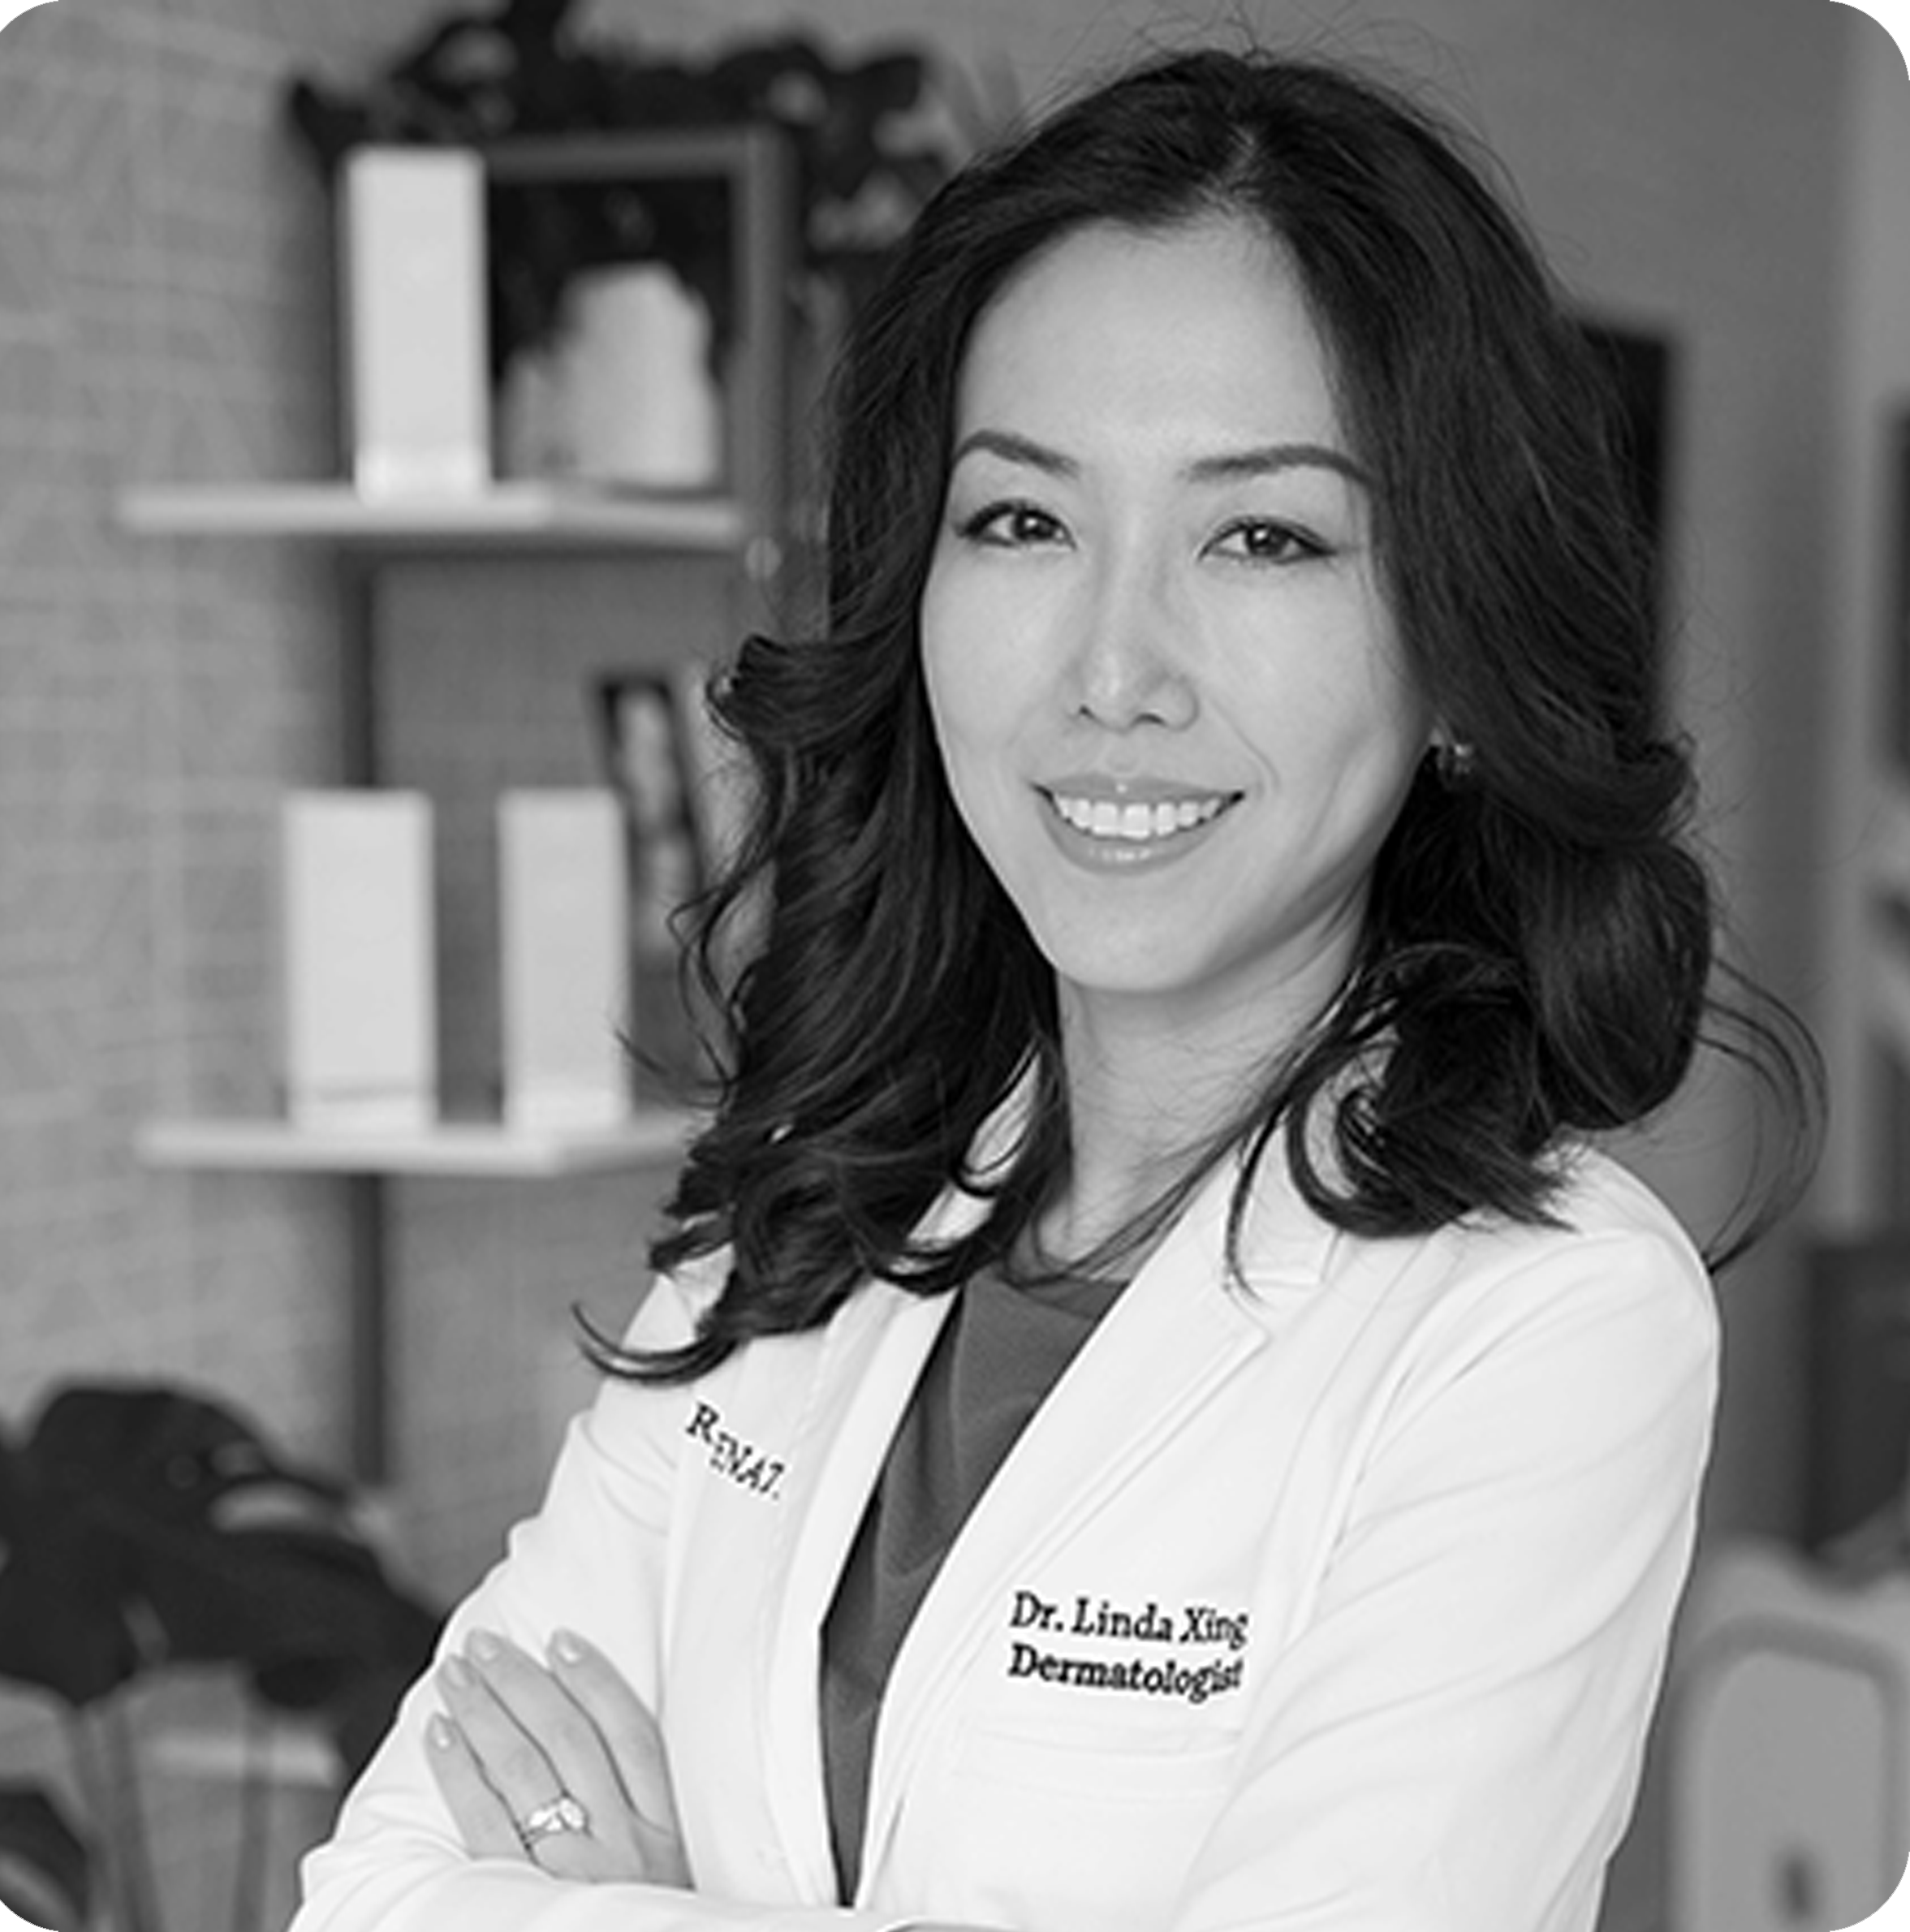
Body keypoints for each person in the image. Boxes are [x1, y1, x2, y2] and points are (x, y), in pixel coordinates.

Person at [290, 41, 1820, 1932]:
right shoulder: (805, 1210)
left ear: (1451, 656)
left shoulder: (1542, 1322)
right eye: (1019, 518)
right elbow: (371, 1886)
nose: (1113, 667)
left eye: (1261, 535)